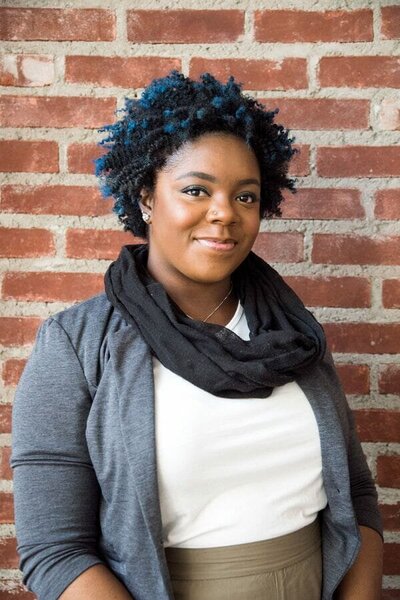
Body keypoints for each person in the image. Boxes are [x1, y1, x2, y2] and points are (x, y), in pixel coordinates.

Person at [11, 71, 383, 600]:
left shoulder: (292, 332)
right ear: (146, 196)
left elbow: (357, 495)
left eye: (246, 196)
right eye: (195, 190)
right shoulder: (75, 347)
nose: (224, 214)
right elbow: (56, 552)